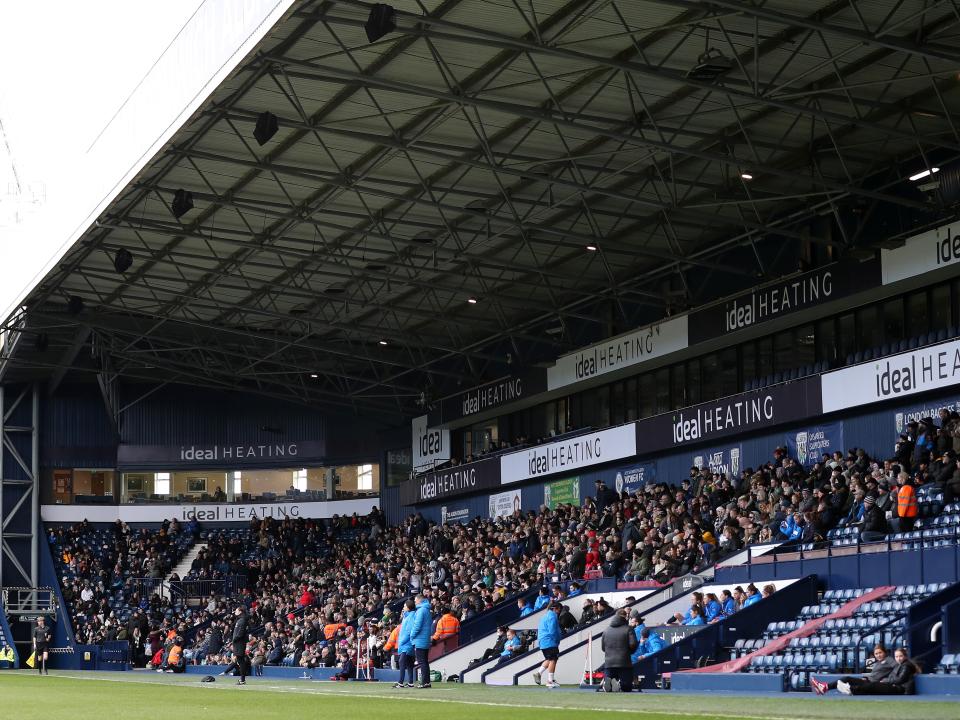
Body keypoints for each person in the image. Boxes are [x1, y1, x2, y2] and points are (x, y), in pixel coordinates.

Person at [810, 644, 895, 695]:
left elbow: (898, 668)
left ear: (885, 652)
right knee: (847, 678)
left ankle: (847, 688)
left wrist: (888, 679)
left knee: (855, 686)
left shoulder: (889, 659)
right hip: (868, 681)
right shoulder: (877, 663)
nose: (878, 655)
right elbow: (875, 675)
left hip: (874, 685)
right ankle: (825, 687)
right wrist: (866, 678)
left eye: (880, 653)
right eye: (876, 653)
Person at [600, 609, 638, 693]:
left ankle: (609, 683)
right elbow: (633, 644)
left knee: (609, 680)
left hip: (609, 663)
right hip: (624, 662)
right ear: (625, 617)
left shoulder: (606, 630)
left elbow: (603, 648)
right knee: (627, 687)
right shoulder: (629, 629)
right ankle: (621, 685)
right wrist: (630, 652)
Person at [531, 601, 562, 689]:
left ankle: (538, 673)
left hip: (543, 641)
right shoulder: (552, 616)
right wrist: (557, 640)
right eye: (559, 610)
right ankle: (550, 680)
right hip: (550, 641)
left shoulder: (545, 616)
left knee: (549, 658)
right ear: (555, 609)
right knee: (553, 659)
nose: (559, 612)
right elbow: (552, 631)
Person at [409, 594, 433, 688]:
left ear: (419, 600)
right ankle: (427, 682)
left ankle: (424, 682)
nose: (414, 602)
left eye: (415, 600)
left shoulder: (421, 611)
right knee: (425, 662)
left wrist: (412, 635)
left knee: (422, 662)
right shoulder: (426, 610)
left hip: (420, 639)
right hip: (425, 639)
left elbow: (417, 625)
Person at [395, 599, 416, 688]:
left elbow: (409, 631)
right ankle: (410, 682)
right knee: (409, 664)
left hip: (406, 644)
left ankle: (400, 682)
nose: (403, 607)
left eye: (404, 606)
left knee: (402, 662)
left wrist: (402, 641)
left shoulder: (410, 617)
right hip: (406, 643)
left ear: (408, 607)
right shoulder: (406, 616)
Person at [231, 605, 249, 685]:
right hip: (238, 643)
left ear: (240, 611)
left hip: (239, 643)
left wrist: (234, 640)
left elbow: (240, 633)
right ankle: (242, 679)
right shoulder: (240, 620)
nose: (235, 611)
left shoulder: (242, 620)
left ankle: (242, 679)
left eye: (236, 610)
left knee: (240, 661)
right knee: (240, 660)